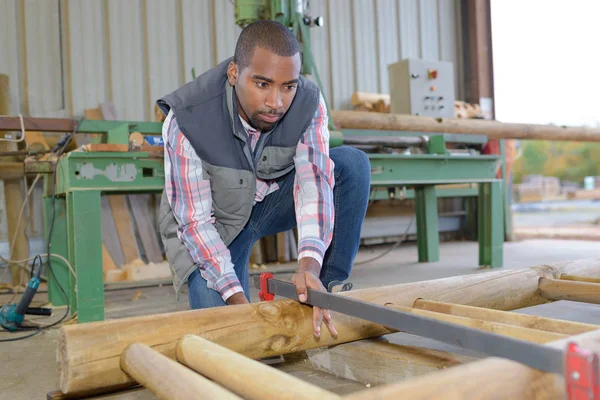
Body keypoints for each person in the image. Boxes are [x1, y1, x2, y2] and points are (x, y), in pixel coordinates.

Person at [156, 20, 370, 338]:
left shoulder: (308, 103)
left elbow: (313, 183)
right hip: (216, 227)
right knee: (227, 336)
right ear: (233, 74)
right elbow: (196, 225)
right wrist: (239, 301)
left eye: (288, 86)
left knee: (350, 165)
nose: (277, 102)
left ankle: (327, 287)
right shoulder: (188, 119)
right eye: (262, 85)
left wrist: (309, 265)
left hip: (269, 202)